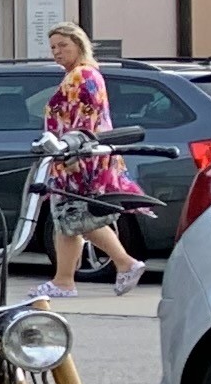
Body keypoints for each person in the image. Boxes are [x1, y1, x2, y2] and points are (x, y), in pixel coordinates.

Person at [36, 21, 150, 296]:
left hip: (77, 156)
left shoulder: (81, 76)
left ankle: (123, 263)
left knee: (74, 216)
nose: (57, 51)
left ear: (79, 44)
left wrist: (71, 155)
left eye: (63, 45)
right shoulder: (86, 74)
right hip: (79, 154)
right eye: (53, 47)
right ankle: (65, 280)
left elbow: (82, 119)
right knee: (71, 219)